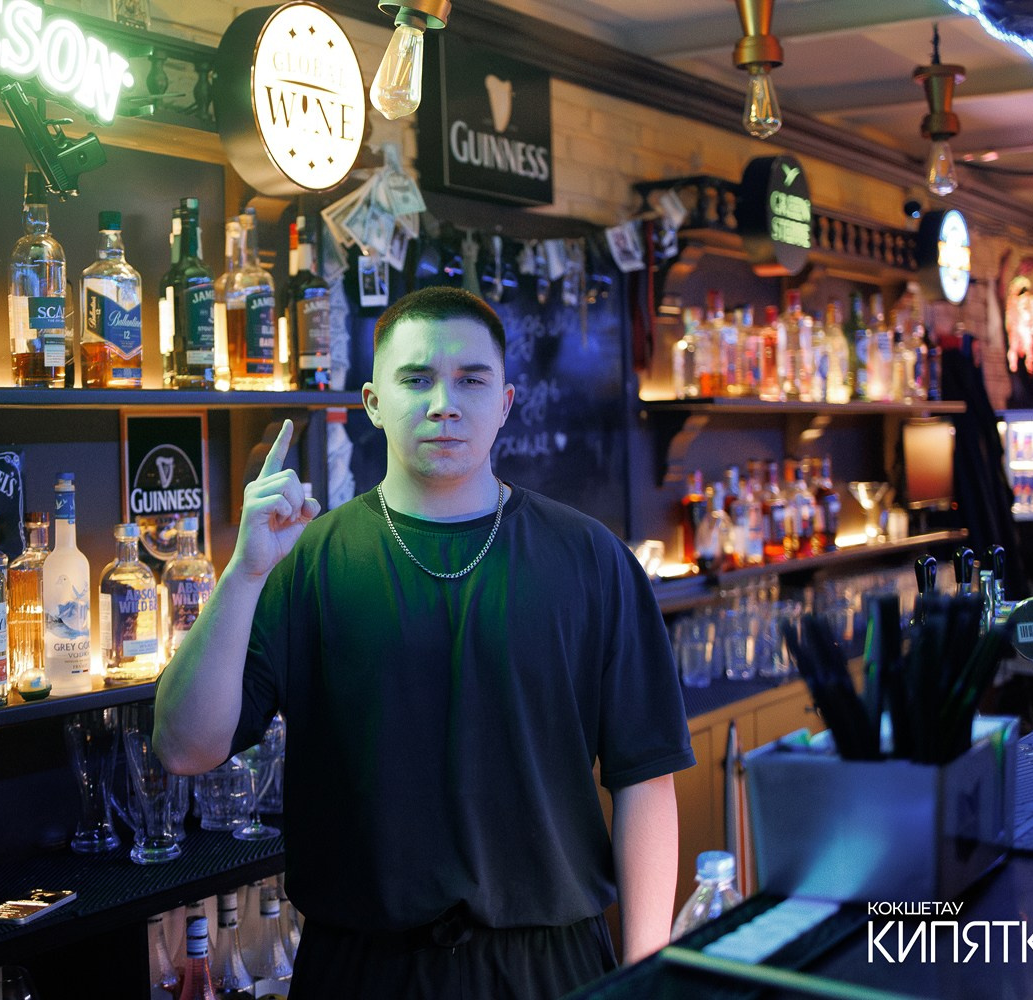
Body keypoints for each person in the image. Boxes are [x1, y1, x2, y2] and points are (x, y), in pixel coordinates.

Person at [154, 285, 694, 999]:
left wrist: (648, 977)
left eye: (471, 380)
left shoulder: (592, 559)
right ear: (373, 402)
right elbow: (185, 748)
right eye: (416, 379)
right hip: (362, 970)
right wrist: (243, 572)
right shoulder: (306, 561)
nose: (445, 403)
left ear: (506, 402)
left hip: (550, 965)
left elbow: (645, 777)